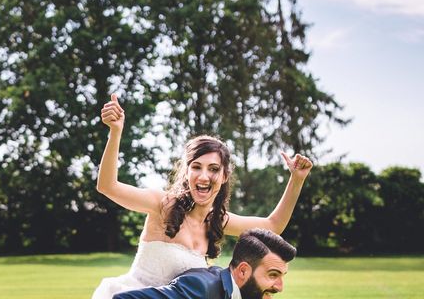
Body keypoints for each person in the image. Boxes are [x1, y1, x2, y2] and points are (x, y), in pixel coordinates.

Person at [92, 94, 312, 298]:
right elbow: (108, 186)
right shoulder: (163, 205)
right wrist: (115, 131)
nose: (204, 176)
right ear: (186, 172)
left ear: (225, 175)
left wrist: (297, 179)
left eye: (214, 169)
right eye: (196, 167)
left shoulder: (217, 220)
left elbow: (272, 225)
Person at [114, 228, 297, 299]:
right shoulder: (200, 289)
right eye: (273, 275)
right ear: (243, 271)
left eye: (282, 276)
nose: (280, 287)